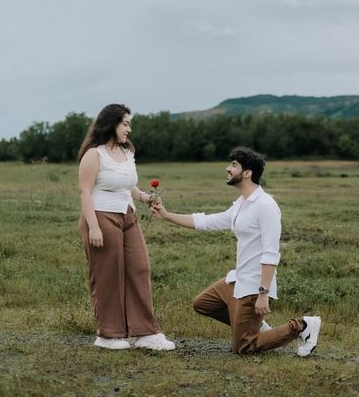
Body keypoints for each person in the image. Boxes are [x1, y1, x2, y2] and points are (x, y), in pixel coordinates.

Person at [151, 146, 321, 356]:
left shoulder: (266, 206)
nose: (227, 169)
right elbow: (207, 221)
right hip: (237, 280)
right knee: (202, 304)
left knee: (243, 346)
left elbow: (271, 254)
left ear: (247, 173)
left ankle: (304, 325)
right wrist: (167, 215)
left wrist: (263, 294)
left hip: (253, 286)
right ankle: (256, 326)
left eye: (233, 165)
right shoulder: (242, 204)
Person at [78, 103, 175, 351]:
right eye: (125, 123)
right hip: (101, 216)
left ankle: (146, 333)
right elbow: (85, 192)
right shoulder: (94, 154)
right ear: (112, 124)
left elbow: (128, 185)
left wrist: (144, 197)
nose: (129, 129)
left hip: (127, 215)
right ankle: (108, 335)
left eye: (129, 123)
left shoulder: (126, 152)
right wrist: (93, 228)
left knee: (139, 268)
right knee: (108, 275)